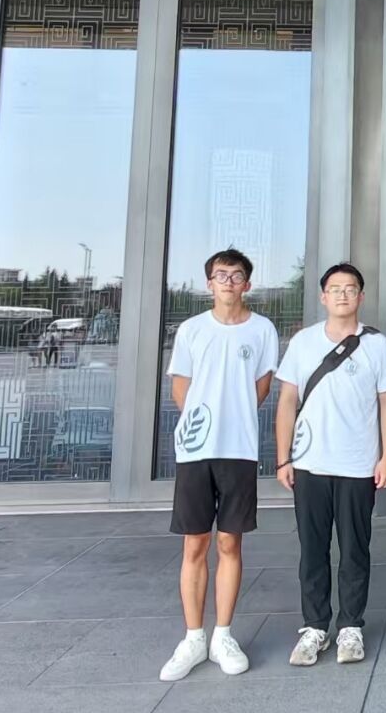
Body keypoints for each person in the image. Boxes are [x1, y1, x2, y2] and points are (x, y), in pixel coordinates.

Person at [159, 248, 279, 682]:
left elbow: (261, 387)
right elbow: (181, 387)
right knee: (195, 544)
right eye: (221, 275)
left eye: (236, 275)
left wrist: (233, 419)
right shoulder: (192, 330)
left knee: (230, 543)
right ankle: (193, 637)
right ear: (209, 283)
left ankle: (222, 635)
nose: (228, 281)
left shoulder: (262, 330)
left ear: (248, 283)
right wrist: (202, 426)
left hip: (239, 449)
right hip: (196, 451)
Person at [274, 262, 386, 667]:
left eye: (350, 288)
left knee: (354, 550)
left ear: (361, 296)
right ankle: (314, 627)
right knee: (312, 550)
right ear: (322, 296)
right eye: (335, 288)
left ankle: (350, 626)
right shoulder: (303, 342)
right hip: (309, 462)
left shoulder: (376, 345)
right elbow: (287, 401)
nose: (342, 294)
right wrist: (283, 457)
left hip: (358, 464)